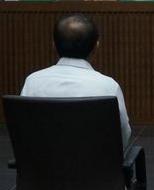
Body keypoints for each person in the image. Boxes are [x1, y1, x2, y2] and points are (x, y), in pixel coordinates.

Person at [21, 13, 132, 149]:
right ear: (96, 47)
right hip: (96, 167)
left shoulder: (32, 82)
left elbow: (24, 132)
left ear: (54, 45)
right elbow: (122, 136)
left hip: (41, 167)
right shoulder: (108, 87)